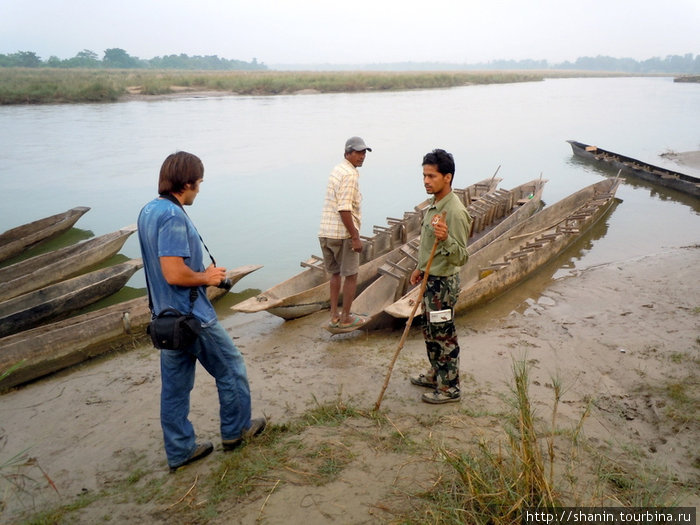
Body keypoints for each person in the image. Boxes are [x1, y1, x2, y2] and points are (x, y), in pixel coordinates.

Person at [137, 151, 266, 471]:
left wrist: (200, 270)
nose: (200, 189)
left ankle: (180, 450)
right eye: (200, 183)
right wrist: (205, 277)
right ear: (188, 182)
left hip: (166, 320)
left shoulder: (149, 210)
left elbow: (164, 267)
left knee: (176, 388)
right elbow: (173, 273)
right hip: (192, 317)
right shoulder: (173, 217)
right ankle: (237, 431)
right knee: (231, 367)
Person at [408, 149, 472, 404]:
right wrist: (420, 267)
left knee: (444, 335)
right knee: (431, 332)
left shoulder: (454, 212)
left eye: (431, 176)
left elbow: (461, 257)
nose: (426, 181)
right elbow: (427, 245)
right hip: (430, 279)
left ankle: (450, 387)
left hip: (444, 284)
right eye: (424, 175)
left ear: (447, 177)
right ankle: (436, 374)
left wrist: (445, 239)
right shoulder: (434, 206)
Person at [318, 136, 372, 330]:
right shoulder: (350, 175)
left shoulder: (337, 169)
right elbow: (344, 208)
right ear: (347, 153)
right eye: (358, 152)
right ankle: (346, 317)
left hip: (326, 232)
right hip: (342, 235)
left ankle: (334, 316)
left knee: (335, 274)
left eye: (364, 152)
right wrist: (355, 237)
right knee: (351, 275)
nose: (362, 156)